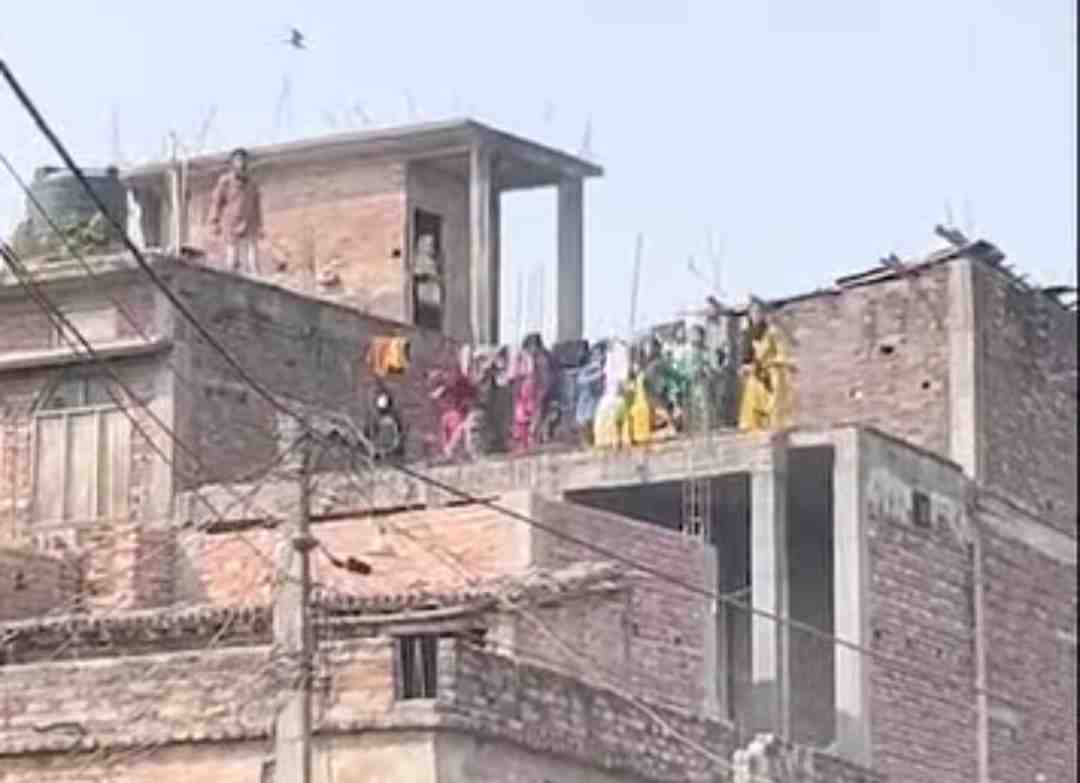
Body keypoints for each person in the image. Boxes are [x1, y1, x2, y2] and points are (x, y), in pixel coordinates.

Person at [737, 300, 794, 432]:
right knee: (753, 403)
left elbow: (782, 353)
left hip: (771, 373)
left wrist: (773, 363)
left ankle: (776, 428)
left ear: (763, 314)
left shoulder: (772, 332)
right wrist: (746, 366)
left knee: (773, 403)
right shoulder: (748, 334)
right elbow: (746, 357)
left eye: (758, 312)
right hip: (756, 375)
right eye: (753, 313)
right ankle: (754, 430)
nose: (756, 315)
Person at [208, 148, 264, 275]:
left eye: (244, 160)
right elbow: (216, 202)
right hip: (231, 223)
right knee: (232, 260)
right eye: (238, 160)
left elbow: (256, 205)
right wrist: (214, 221)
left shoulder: (252, 184)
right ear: (233, 162)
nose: (241, 163)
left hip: (249, 223)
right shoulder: (226, 182)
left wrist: (260, 226)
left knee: (253, 261)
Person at [412, 234, 444, 331]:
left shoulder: (432, 260)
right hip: (425, 298)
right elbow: (418, 276)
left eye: (432, 245)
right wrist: (432, 278)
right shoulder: (420, 259)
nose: (432, 248)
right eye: (430, 245)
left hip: (434, 299)